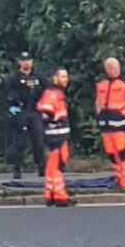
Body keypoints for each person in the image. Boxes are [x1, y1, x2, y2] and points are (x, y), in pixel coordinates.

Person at [95, 57, 125, 189]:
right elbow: (98, 101)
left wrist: (123, 112)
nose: (115, 70)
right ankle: (118, 180)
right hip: (106, 126)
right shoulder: (101, 85)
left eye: (116, 67)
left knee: (124, 154)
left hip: (120, 126)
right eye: (112, 68)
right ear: (106, 69)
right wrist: (99, 113)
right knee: (112, 155)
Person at [2, 51, 46, 179]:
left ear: (32, 62)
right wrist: (10, 108)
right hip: (21, 111)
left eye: (29, 60)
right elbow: (4, 95)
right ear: (19, 62)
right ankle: (17, 168)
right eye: (23, 60)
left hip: (35, 111)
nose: (26, 63)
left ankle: (41, 166)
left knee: (38, 139)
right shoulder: (14, 78)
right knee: (19, 141)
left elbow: (48, 92)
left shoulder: (38, 77)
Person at [35, 68, 74, 208]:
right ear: (55, 78)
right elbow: (45, 108)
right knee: (57, 166)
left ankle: (50, 194)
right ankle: (60, 196)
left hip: (56, 134)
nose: (66, 79)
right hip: (56, 135)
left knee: (52, 166)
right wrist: (54, 118)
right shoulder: (53, 93)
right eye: (63, 77)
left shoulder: (55, 92)